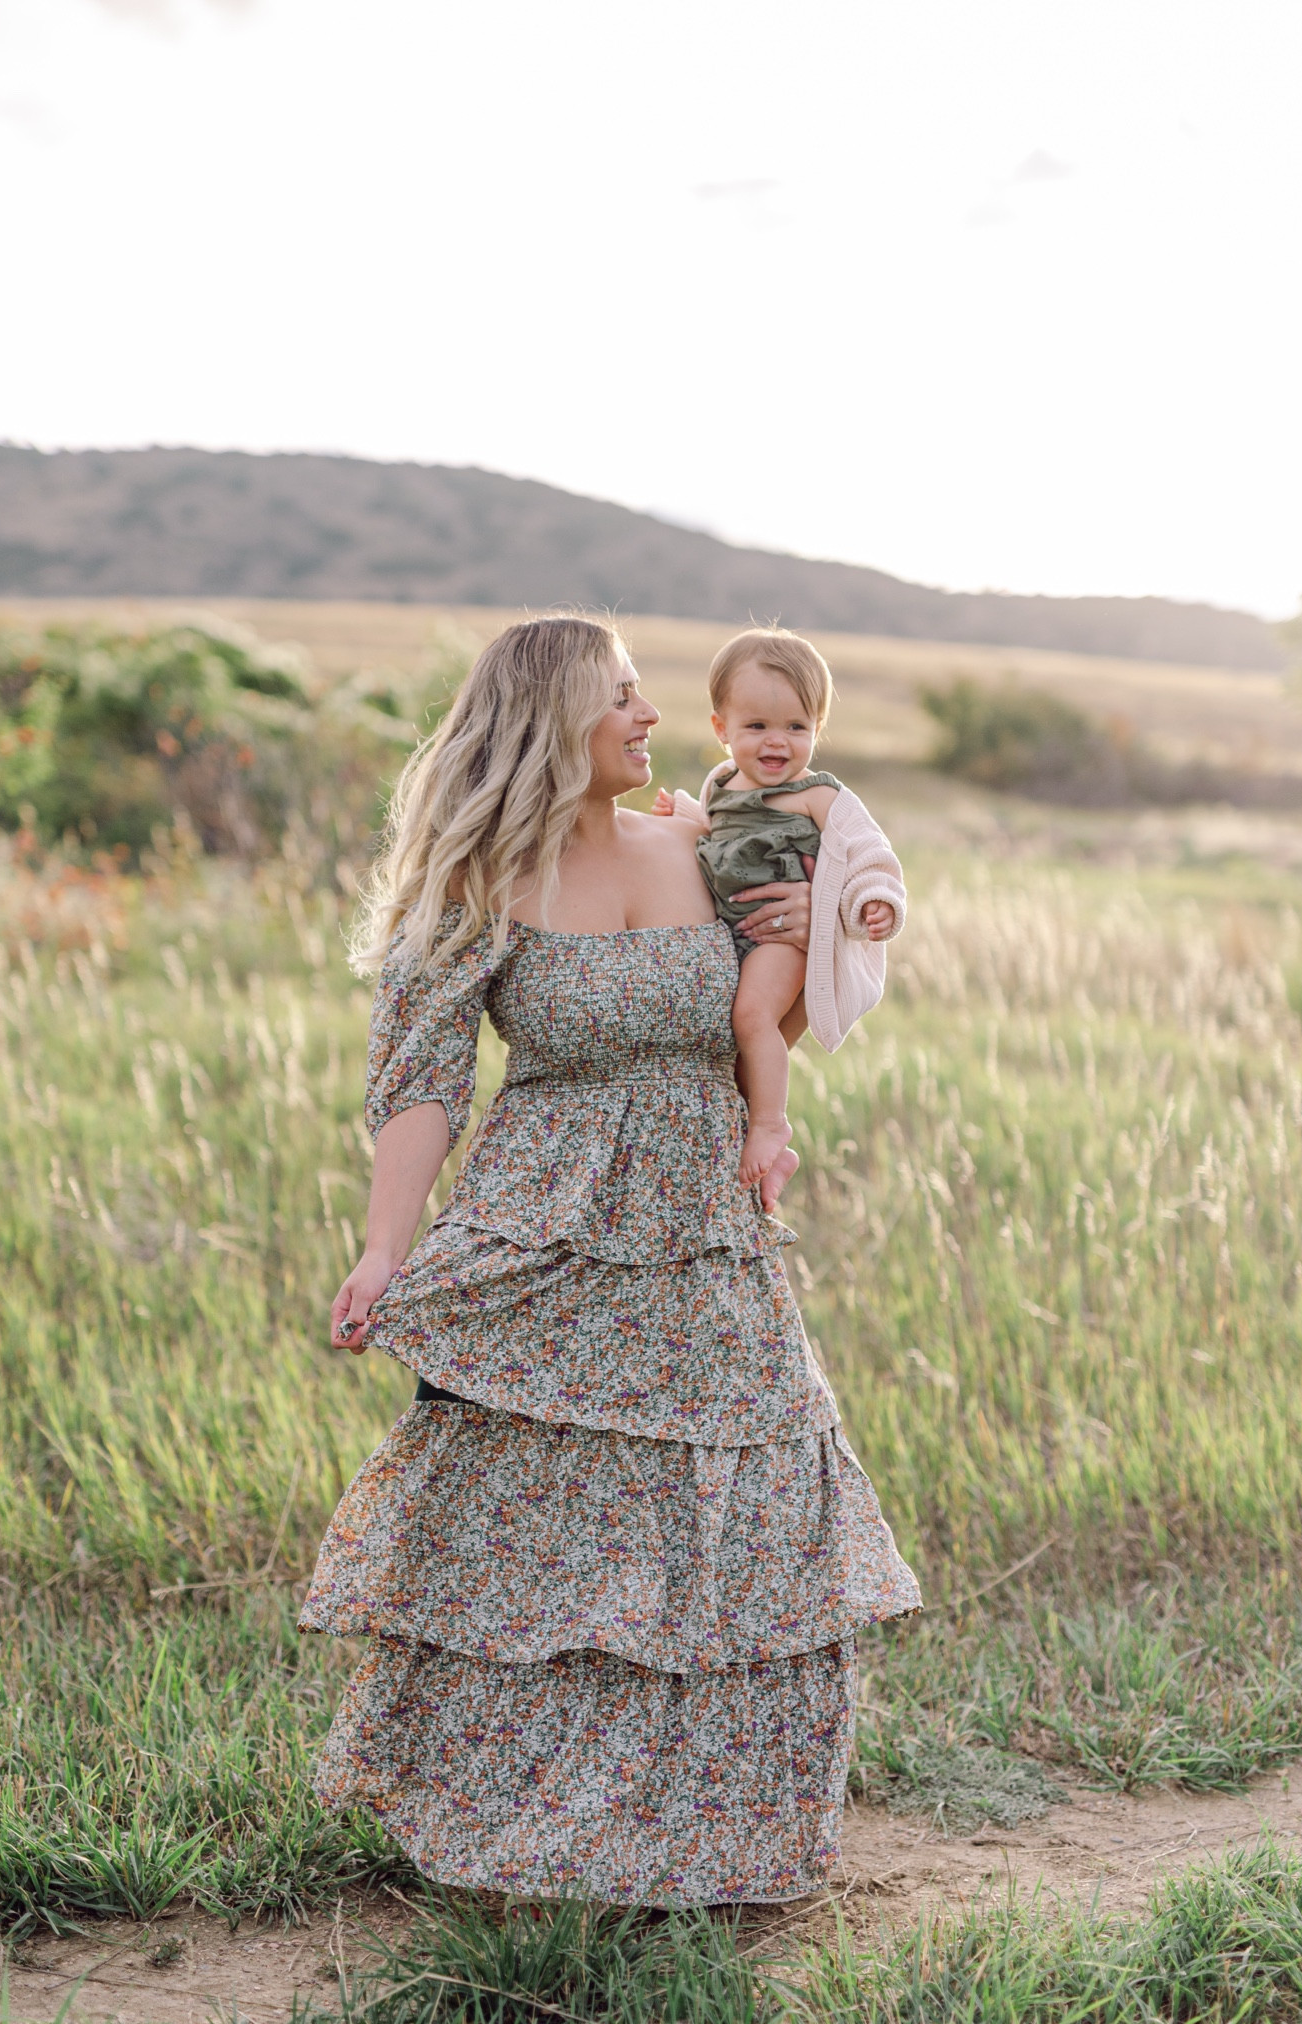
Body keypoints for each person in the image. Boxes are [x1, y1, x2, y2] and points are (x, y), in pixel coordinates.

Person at [301, 614, 920, 1905]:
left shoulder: (707, 840)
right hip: (541, 1230)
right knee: (513, 1527)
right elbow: (420, 1085)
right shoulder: (472, 882)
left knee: (738, 1513)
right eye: (623, 698)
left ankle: (716, 1837)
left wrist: (820, 941)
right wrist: (380, 1252)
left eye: (647, 697)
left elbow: (777, 1014)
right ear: (550, 721)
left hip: (699, 1229)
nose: (652, 719)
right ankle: (501, 1828)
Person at [654, 628, 907, 1210]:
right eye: (758, 726)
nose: (777, 742)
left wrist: (872, 901)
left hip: (783, 940)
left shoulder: (818, 797)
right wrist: (686, 815)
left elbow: (870, 854)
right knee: (731, 1052)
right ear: (722, 729)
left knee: (752, 1017)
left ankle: (772, 1126)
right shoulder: (719, 786)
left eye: (796, 726)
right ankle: (768, 1158)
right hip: (732, 934)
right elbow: (719, 841)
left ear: (818, 728)